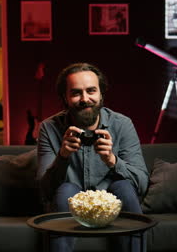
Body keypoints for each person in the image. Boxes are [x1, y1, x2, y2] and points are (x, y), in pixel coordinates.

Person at [36, 62, 149, 252]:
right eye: (76, 93)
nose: (85, 99)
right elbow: (44, 191)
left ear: (101, 94)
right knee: (65, 189)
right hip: (69, 199)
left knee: (124, 186)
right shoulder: (49, 128)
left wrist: (112, 161)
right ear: (65, 97)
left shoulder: (122, 124)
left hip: (112, 200)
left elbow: (142, 184)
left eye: (91, 91)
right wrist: (63, 156)